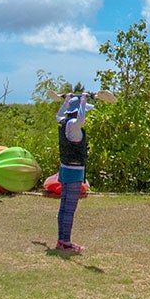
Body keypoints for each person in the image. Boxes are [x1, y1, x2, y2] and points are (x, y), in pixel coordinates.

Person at [55, 91, 93, 253]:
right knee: (69, 209)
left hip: (65, 170)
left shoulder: (64, 121)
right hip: (73, 172)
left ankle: (62, 240)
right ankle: (66, 242)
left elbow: (58, 114)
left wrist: (67, 101)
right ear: (77, 111)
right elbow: (81, 119)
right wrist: (83, 100)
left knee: (64, 208)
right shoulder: (74, 125)